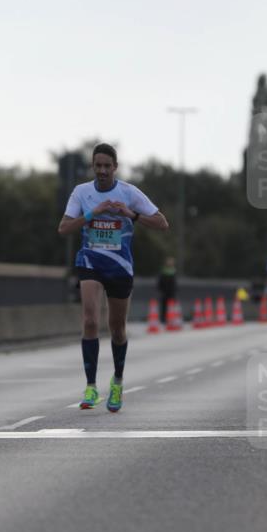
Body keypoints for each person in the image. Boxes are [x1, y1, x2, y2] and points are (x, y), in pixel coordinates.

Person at [58, 143, 169, 412]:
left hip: (119, 267)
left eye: (107, 166)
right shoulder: (82, 192)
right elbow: (64, 228)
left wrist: (131, 214)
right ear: (93, 167)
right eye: (98, 166)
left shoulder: (129, 192)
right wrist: (91, 214)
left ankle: (117, 382)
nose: (102, 171)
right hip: (90, 262)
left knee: (117, 328)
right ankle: (91, 386)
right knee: (90, 320)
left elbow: (162, 223)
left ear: (115, 167)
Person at [157, 257, 177, 324]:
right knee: (164, 306)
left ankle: (171, 318)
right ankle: (163, 319)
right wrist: (161, 289)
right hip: (164, 291)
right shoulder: (163, 271)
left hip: (171, 292)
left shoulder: (174, 271)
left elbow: (174, 283)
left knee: (171, 305)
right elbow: (160, 282)